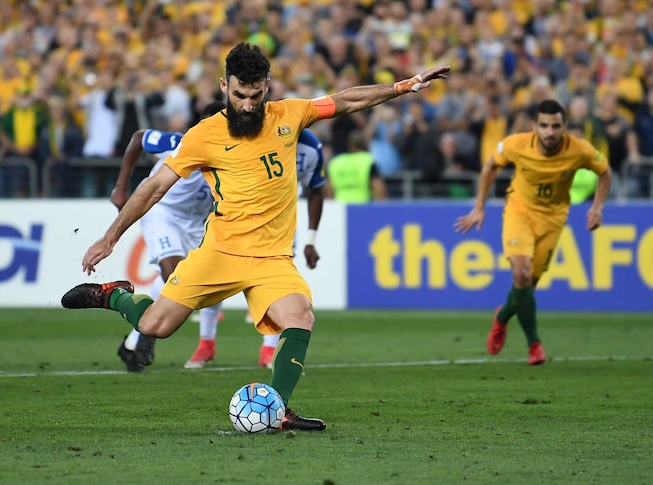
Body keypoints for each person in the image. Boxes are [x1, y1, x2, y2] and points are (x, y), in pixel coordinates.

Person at [63, 42, 449, 430]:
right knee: (153, 327)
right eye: (239, 95)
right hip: (219, 253)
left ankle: (279, 409)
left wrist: (404, 86)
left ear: (268, 86)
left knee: (299, 317)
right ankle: (113, 294)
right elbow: (153, 187)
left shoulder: (290, 115)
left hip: (271, 260)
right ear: (223, 86)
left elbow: (346, 101)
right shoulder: (204, 136)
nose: (247, 105)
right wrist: (111, 237)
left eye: (255, 95)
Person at [455, 99, 611, 366]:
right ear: (535, 126)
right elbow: (491, 166)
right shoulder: (517, 144)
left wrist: (598, 208)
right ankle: (534, 344)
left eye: (555, 126)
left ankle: (502, 316)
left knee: (526, 287)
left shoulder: (580, 150)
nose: (549, 132)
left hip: (553, 219)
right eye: (544, 126)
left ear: (565, 127)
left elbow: (605, 172)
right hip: (520, 212)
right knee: (521, 272)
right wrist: (478, 207)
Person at [186, 127, 327, 370]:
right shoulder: (254, 134)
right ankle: (206, 343)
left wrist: (311, 239)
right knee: (211, 276)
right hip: (235, 223)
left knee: (278, 287)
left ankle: (270, 350)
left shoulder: (310, 147)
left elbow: (315, 189)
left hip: (278, 229)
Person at [109, 101, 226, 373]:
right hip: (161, 210)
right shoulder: (181, 142)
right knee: (173, 272)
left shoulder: (233, 151)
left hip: (198, 220)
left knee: (202, 278)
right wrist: (120, 186)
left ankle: (132, 342)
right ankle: (148, 335)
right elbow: (139, 138)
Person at [325, 130, 387, 203]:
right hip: (363, 207)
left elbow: (328, 190)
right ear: (366, 144)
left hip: (341, 207)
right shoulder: (368, 160)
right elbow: (380, 190)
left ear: (349, 145)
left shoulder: (335, 162)